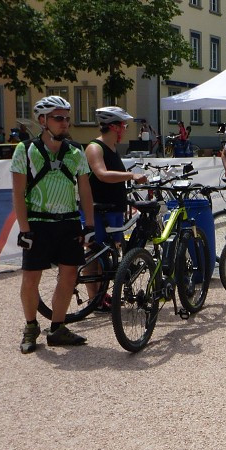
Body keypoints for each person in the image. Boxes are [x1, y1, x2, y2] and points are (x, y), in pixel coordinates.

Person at [11, 96, 95, 353]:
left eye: (67, 118)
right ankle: (31, 326)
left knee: (69, 275)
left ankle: (57, 327)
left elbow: (85, 191)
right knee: (31, 278)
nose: (64, 123)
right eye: (58, 118)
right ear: (43, 120)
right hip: (38, 223)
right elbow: (17, 193)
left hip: (68, 222)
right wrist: (24, 229)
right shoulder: (25, 150)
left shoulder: (75, 151)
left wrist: (89, 225)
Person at [84, 106, 148, 305]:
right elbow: (101, 174)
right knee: (95, 253)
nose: (126, 129)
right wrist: (131, 175)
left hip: (113, 208)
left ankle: (102, 294)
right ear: (114, 126)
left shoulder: (112, 148)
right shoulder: (95, 147)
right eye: (124, 125)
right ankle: (94, 298)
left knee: (109, 251)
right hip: (98, 209)